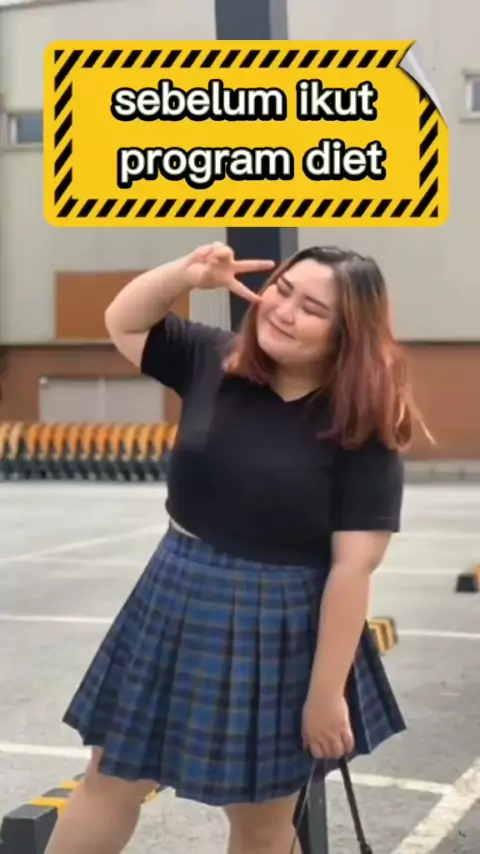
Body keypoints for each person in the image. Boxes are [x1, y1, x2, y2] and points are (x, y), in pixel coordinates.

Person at [45, 242, 424, 854]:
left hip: (280, 616)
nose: (284, 311)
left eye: (312, 309)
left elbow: (354, 567)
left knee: (261, 821)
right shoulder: (215, 358)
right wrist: (186, 274)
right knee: (109, 779)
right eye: (282, 290)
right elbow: (123, 320)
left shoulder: (363, 421)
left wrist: (325, 694)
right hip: (175, 585)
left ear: (347, 334)